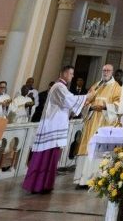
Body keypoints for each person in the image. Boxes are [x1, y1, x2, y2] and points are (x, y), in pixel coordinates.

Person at [21, 67, 86, 195]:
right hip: (52, 126)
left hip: (55, 126)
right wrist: (88, 96)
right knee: (45, 156)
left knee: (51, 157)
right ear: (65, 73)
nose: (72, 76)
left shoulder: (61, 87)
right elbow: (70, 100)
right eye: (71, 73)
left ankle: (45, 184)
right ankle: (37, 185)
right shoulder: (59, 87)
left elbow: (66, 104)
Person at [74, 64, 121, 187]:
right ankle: (83, 179)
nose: (105, 72)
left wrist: (105, 107)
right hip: (91, 121)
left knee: (100, 150)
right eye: (104, 70)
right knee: (87, 148)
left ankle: (98, 179)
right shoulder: (96, 85)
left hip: (105, 122)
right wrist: (90, 107)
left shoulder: (116, 87)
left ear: (112, 72)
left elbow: (118, 104)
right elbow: (86, 101)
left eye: (108, 70)